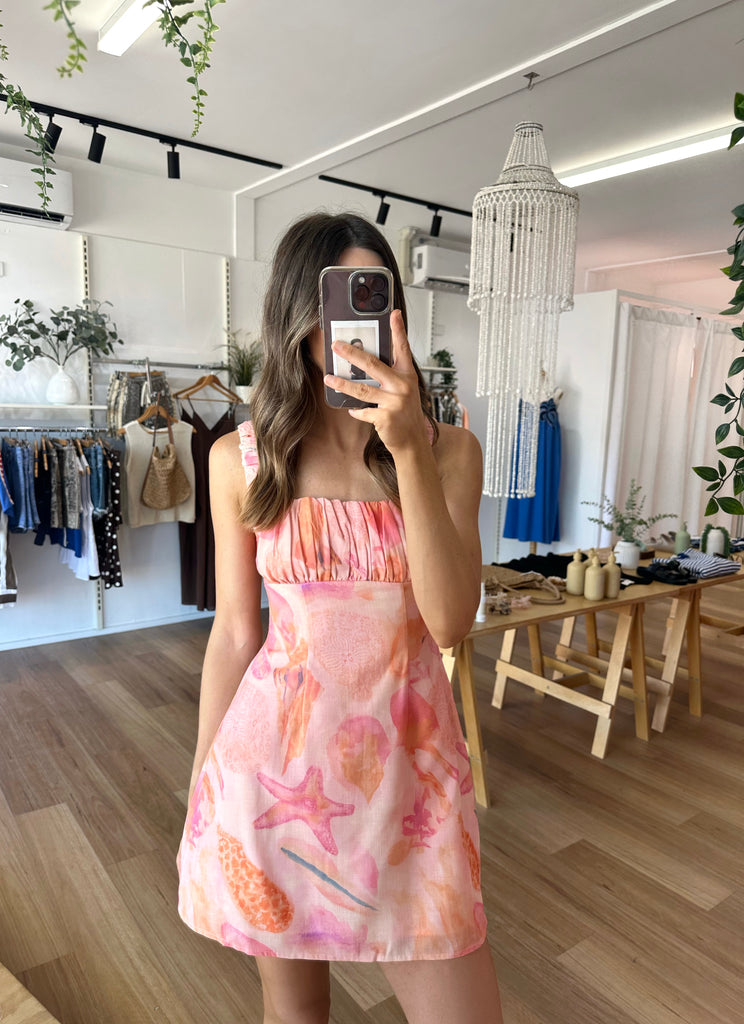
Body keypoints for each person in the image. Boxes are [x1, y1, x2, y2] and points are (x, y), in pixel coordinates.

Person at [176, 212, 504, 1024]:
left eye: (375, 301)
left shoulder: (450, 453)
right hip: (272, 776)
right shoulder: (241, 461)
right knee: (298, 1015)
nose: (355, 331)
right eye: (337, 305)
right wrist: (201, 778)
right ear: (299, 316)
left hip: (414, 789)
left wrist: (409, 448)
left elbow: (450, 622)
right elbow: (236, 634)